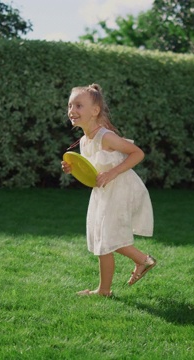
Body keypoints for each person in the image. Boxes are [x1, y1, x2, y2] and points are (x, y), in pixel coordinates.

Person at [61, 83, 156, 297]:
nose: (71, 110)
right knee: (103, 238)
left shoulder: (106, 136)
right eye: (69, 105)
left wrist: (112, 173)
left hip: (121, 188)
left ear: (95, 111)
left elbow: (137, 154)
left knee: (106, 239)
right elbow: (91, 171)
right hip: (105, 191)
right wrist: (73, 168)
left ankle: (110, 286)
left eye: (78, 105)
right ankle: (140, 263)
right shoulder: (85, 140)